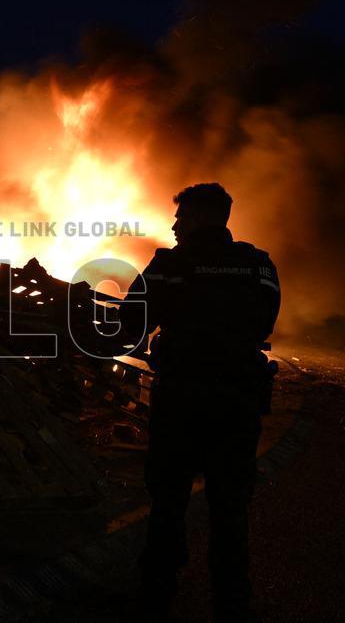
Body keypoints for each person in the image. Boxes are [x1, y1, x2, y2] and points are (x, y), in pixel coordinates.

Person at [120, 183, 280, 622]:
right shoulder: (258, 264)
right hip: (236, 402)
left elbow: (131, 320)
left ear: (203, 218)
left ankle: (156, 595)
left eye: (182, 217)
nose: (175, 224)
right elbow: (266, 319)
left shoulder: (169, 264)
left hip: (181, 401)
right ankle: (231, 601)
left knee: (168, 498)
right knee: (229, 504)